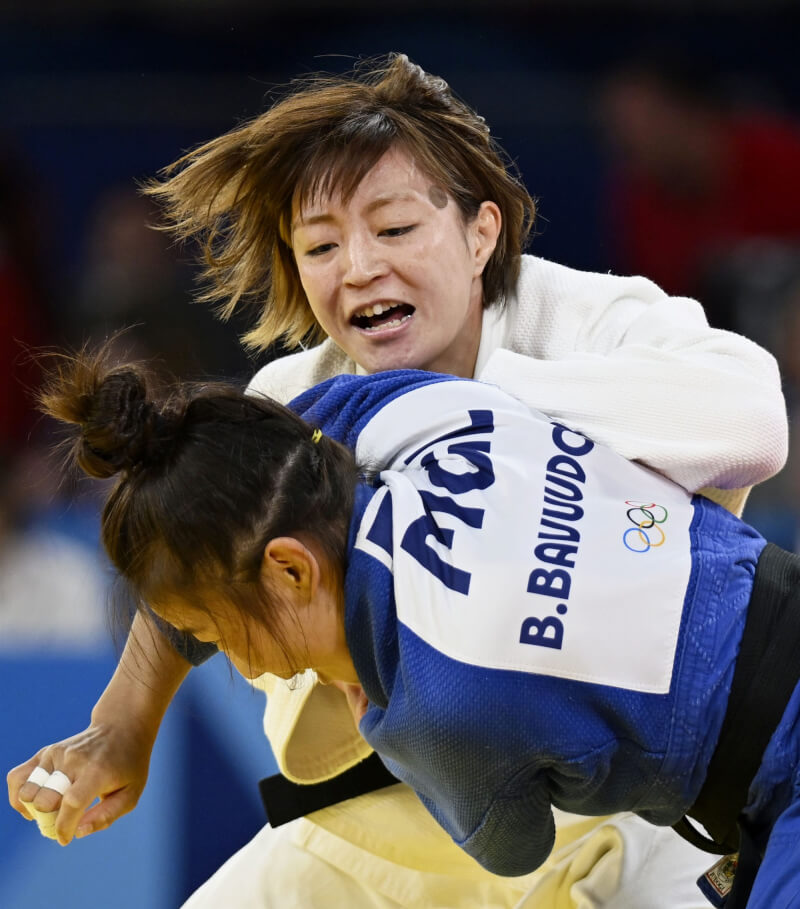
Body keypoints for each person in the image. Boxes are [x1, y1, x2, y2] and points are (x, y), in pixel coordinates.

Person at [7, 54, 788, 909]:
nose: (359, 267)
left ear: (480, 233)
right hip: (380, 831)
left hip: (630, 813)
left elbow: (752, 420)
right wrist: (124, 728)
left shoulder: (580, 320)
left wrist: (481, 413)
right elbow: (187, 578)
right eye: (321, 246)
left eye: (394, 228)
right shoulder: (296, 401)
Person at [20, 347, 800, 908]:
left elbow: (514, 848)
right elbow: (275, 447)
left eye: (223, 635)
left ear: (291, 570)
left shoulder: (435, 708)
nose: (241, 661)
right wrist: (121, 720)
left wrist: (380, 722)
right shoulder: (419, 411)